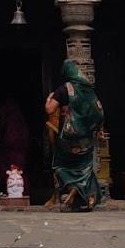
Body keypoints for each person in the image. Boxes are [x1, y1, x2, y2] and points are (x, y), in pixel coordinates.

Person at [45, 59, 105, 211]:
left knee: (61, 166)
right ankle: (87, 195)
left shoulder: (64, 89)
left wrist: (48, 100)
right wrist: (97, 129)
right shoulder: (88, 90)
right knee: (85, 167)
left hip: (68, 137)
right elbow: (98, 111)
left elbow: (50, 110)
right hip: (86, 138)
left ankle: (73, 188)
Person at [0, 97, 31, 194]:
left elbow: (12, 140)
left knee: (15, 173)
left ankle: (18, 194)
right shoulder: (17, 120)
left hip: (14, 152)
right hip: (15, 151)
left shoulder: (14, 121)